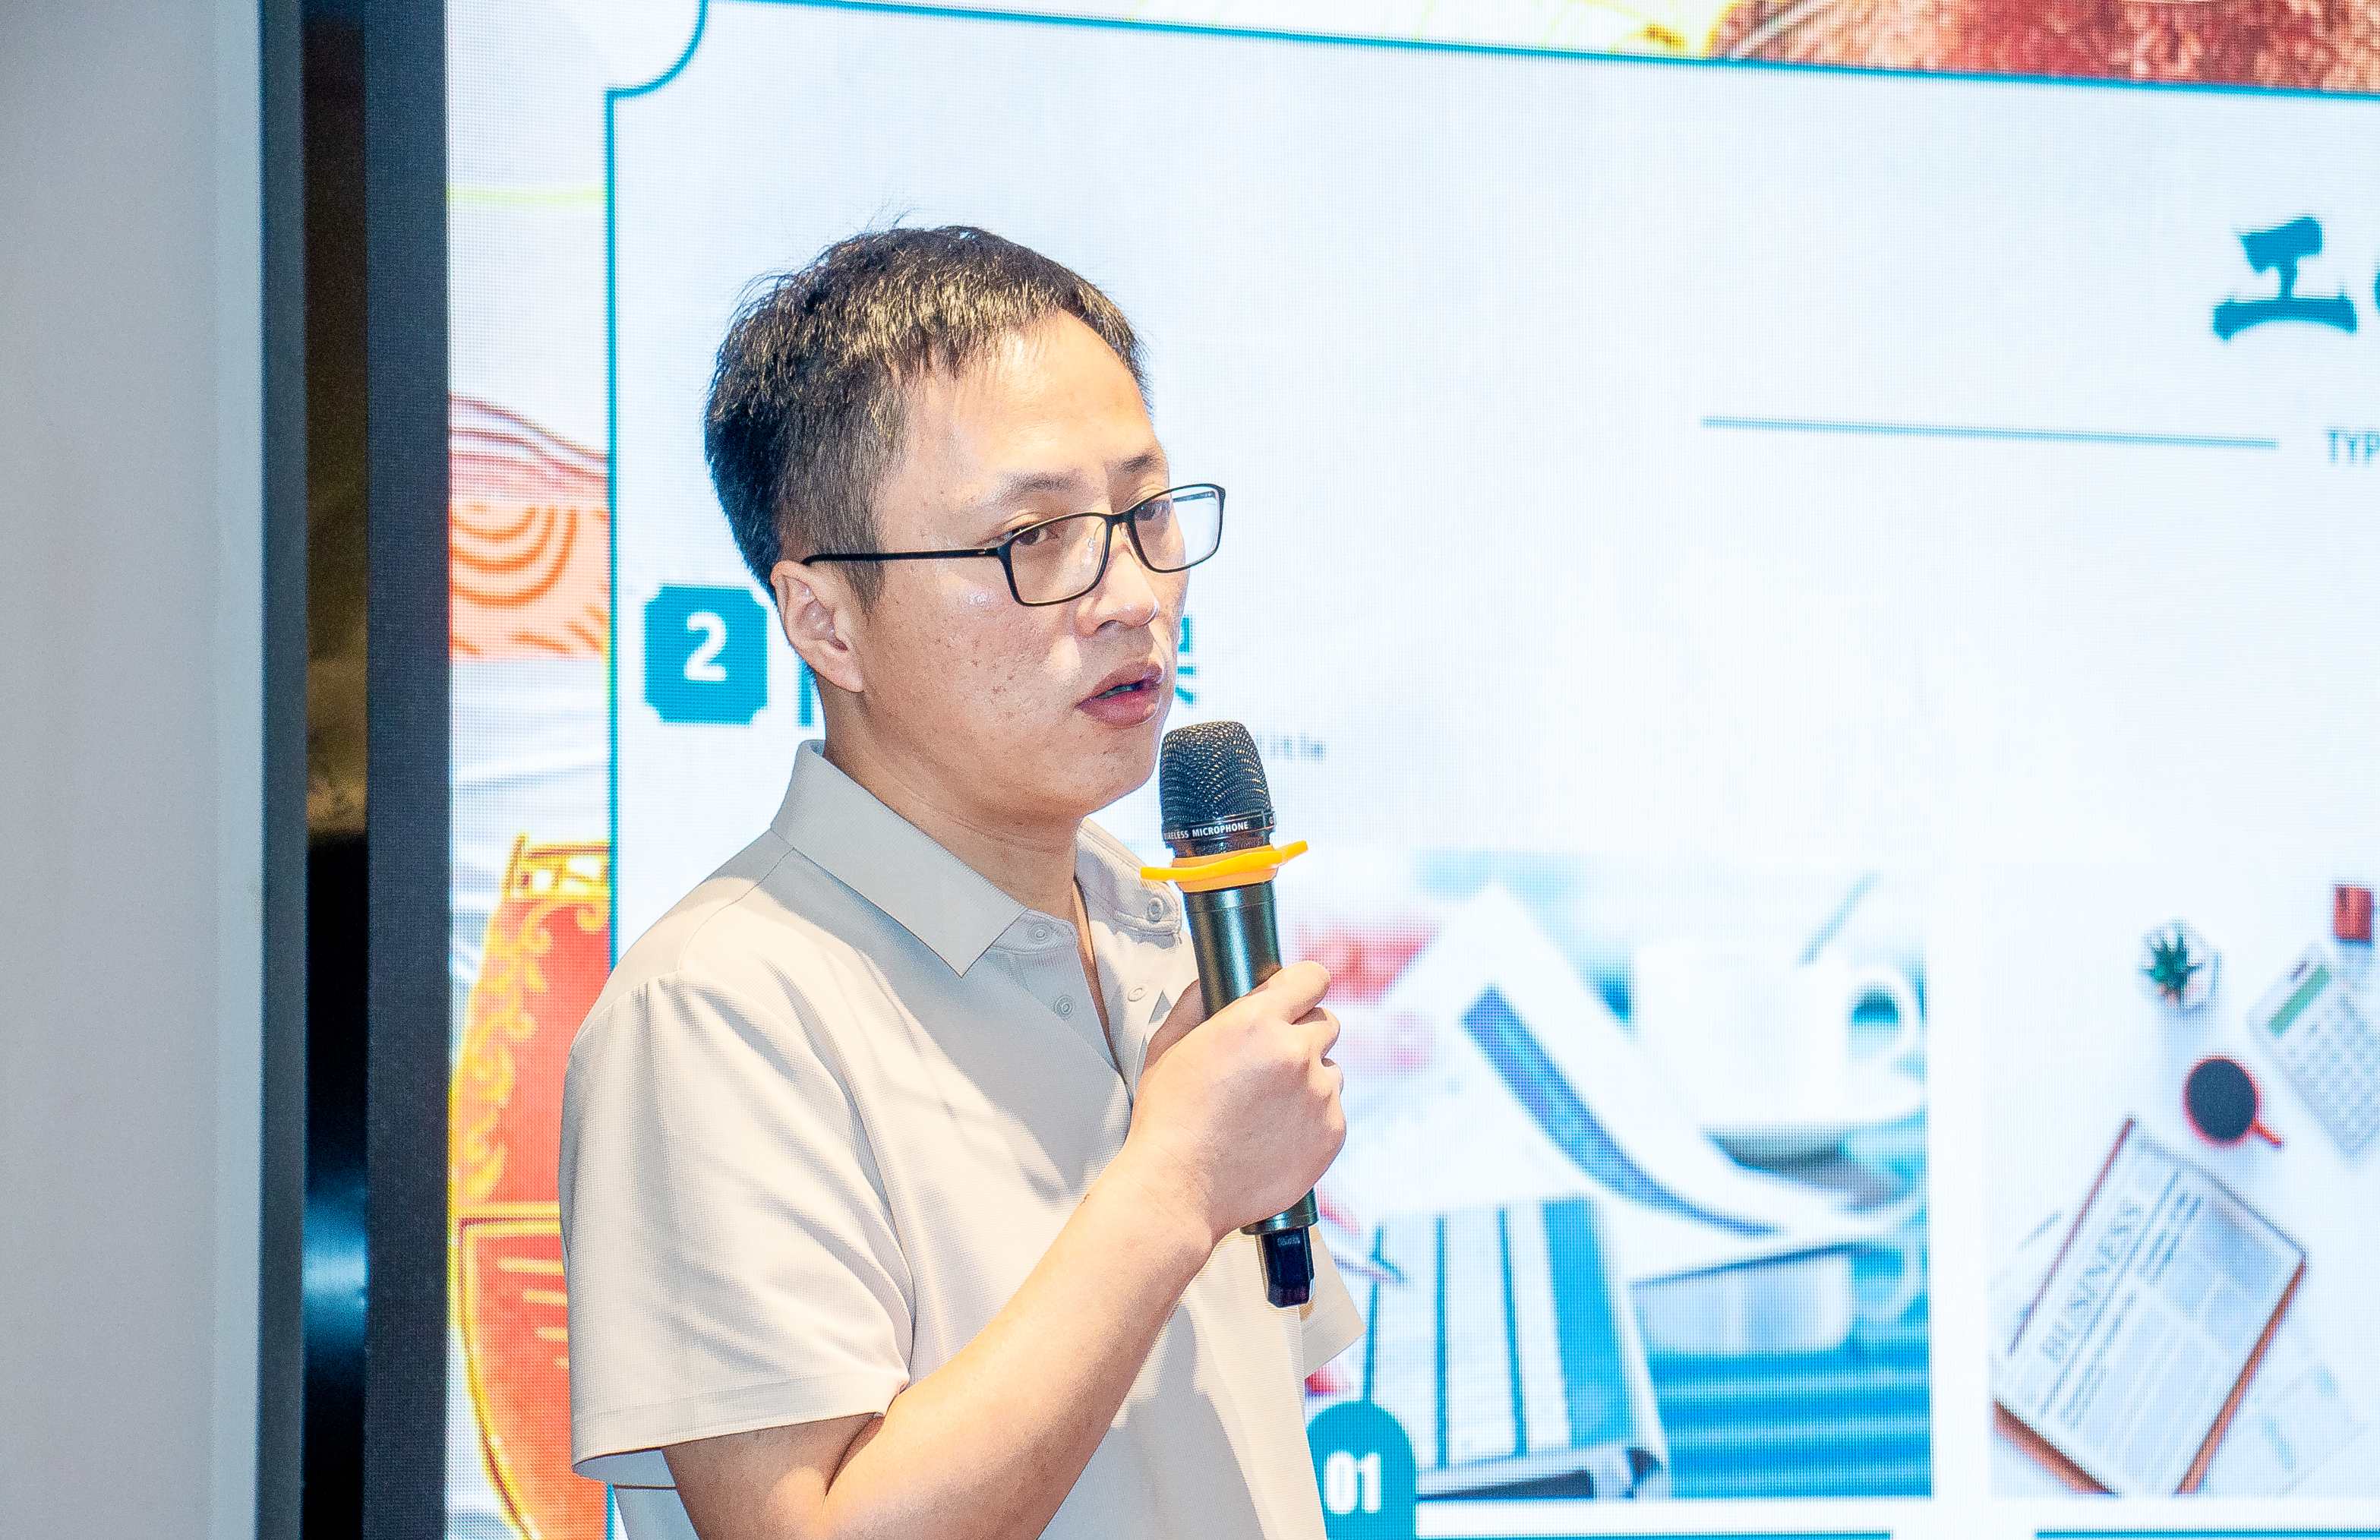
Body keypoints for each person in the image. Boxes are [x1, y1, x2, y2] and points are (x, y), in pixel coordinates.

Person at [559, 226, 1359, 1540]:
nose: (1131, 595)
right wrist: (1170, 1187)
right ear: (825, 622)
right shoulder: (719, 1008)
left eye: (1145, 515)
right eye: (1033, 537)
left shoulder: (1160, 928)